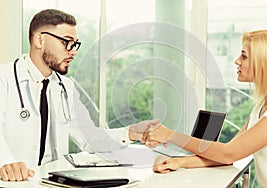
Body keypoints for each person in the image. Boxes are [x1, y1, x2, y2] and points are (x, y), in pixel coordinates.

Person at [0, 9, 159, 182]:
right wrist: (6, 163)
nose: (73, 51)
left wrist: (130, 133)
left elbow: (89, 138)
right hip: (14, 182)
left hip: (52, 182)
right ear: (40, 40)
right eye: (66, 42)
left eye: (75, 44)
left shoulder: (65, 87)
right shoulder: (4, 79)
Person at [144, 30, 267, 187]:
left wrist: (170, 135)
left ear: (265, 62)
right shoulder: (263, 107)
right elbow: (228, 153)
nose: (237, 61)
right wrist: (179, 162)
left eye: (244, 56)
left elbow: (229, 153)